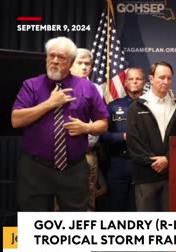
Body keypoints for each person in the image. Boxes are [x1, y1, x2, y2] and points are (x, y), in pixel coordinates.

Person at [11, 36, 108, 212]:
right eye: (51, 56)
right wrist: (50, 103)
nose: (54, 61)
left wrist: (87, 127)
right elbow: (16, 120)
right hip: (35, 168)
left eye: (61, 57)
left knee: (74, 224)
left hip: (74, 168)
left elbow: (103, 124)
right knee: (33, 221)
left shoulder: (87, 88)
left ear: (70, 62)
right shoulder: (31, 85)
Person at [126, 61, 176, 252]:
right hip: (145, 177)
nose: (165, 81)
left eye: (169, 78)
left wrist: (169, 159)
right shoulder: (137, 107)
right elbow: (133, 142)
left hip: (171, 176)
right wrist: (153, 161)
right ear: (151, 79)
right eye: (161, 77)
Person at [100, 67, 145, 252]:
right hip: (118, 164)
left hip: (143, 166)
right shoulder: (113, 106)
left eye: (138, 79)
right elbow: (103, 136)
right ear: (125, 83)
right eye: (131, 79)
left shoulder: (152, 105)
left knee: (141, 211)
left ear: (144, 82)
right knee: (116, 211)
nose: (135, 82)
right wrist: (123, 137)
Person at [69, 48, 106, 211]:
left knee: (89, 199)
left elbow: (101, 122)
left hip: (90, 152)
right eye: (80, 63)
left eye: (87, 64)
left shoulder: (97, 89)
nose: (84, 67)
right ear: (70, 65)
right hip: (67, 154)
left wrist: (87, 128)